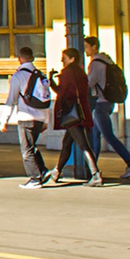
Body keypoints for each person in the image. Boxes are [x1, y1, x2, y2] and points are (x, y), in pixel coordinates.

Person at [82, 36, 130, 180]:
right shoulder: (107, 60)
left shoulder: (95, 63)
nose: (85, 49)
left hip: (100, 103)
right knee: (95, 135)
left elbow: (89, 83)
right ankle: (93, 169)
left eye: (87, 46)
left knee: (108, 136)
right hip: (108, 101)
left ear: (94, 46)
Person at [44, 46, 101, 186]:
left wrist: (51, 81)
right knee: (67, 143)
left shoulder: (67, 72)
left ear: (72, 58)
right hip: (81, 111)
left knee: (83, 144)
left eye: (64, 58)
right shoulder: (81, 72)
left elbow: (62, 92)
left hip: (71, 113)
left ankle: (96, 174)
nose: (62, 60)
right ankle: (57, 171)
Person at [0, 45, 51, 188]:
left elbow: (11, 100)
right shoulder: (41, 76)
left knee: (26, 151)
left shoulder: (18, 76)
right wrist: (47, 120)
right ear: (32, 58)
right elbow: (46, 98)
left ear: (19, 59)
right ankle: (43, 170)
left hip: (25, 118)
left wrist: (4, 121)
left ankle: (35, 179)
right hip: (40, 117)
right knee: (32, 146)